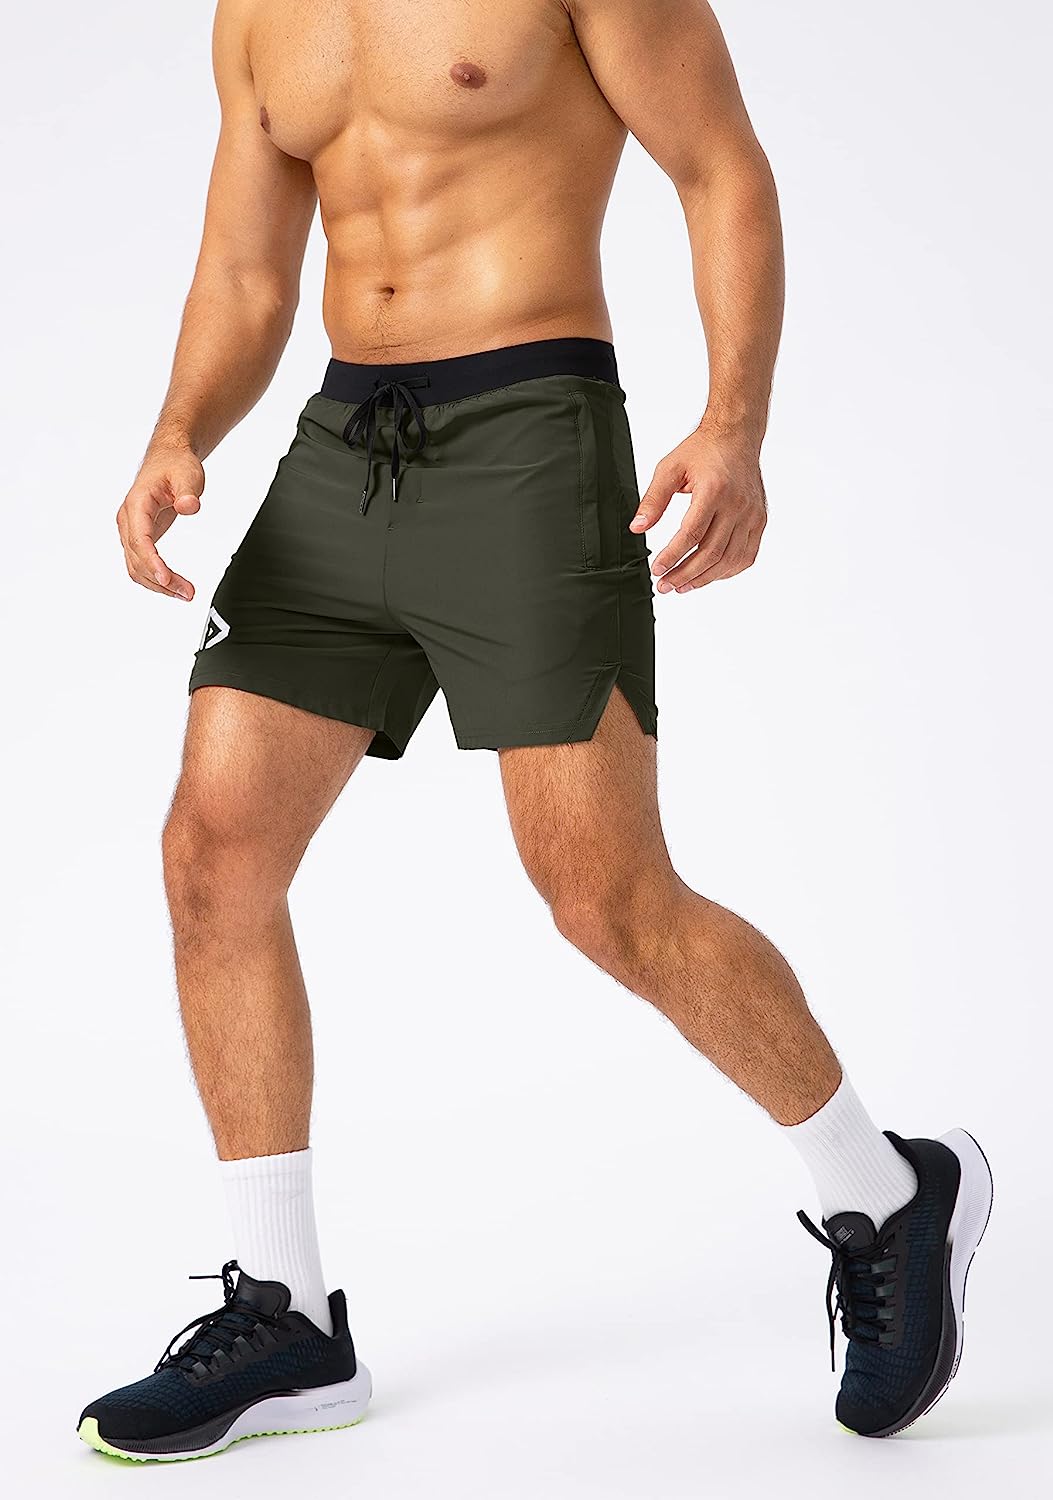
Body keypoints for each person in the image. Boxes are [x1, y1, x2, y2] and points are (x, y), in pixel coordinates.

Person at [79, 0, 992, 1463]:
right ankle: (286, 1315)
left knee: (605, 896)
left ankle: (885, 1193)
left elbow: (718, 166)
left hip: (527, 432)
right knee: (211, 859)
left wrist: (733, 422)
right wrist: (178, 427)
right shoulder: (258, 14)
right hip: (340, 451)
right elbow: (248, 267)